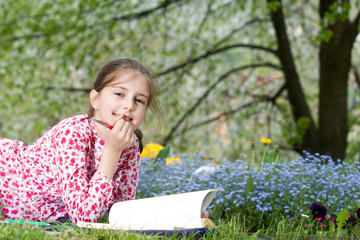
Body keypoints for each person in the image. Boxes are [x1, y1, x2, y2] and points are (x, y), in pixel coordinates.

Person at [0, 58, 164, 224]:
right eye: (119, 94)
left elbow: (122, 212)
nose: (129, 105)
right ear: (95, 100)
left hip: (43, 215)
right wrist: (112, 151)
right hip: (7, 180)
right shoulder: (72, 133)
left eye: (139, 100)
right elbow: (84, 217)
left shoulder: (129, 143)